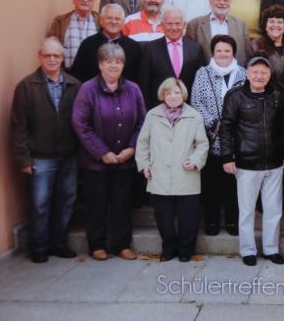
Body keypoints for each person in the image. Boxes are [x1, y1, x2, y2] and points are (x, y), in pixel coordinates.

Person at [71, 43, 146, 261]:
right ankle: (97, 244)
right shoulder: (87, 89)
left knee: (123, 203)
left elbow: (142, 121)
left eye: (118, 62)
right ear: (100, 64)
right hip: (96, 161)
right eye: (108, 61)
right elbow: (80, 124)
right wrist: (102, 152)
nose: (114, 65)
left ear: (123, 65)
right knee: (97, 203)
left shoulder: (133, 89)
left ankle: (121, 245)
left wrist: (132, 148)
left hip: (125, 160)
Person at [11, 37, 82, 263]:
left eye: (57, 56)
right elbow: (18, 126)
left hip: (69, 156)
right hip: (40, 158)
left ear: (63, 58)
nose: (52, 59)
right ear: (40, 57)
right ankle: (39, 248)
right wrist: (24, 159)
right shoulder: (26, 86)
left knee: (66, 201)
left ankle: (58, 243)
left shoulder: (74, 84)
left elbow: (81, 121)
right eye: (47, 55)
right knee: (40, 203)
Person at [220, 57, 284, 266]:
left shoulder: (277, 97)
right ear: (247, 74)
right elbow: (226, 127)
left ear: (269, 75)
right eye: (255, 72)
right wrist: (228, 156)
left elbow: (283, 129)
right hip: (246, 162)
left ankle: (271, 249)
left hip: (274, 163)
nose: (259, 76)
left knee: (273, 210)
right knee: (247, 210)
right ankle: (248, 250)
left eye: (263, 72)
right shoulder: (235, 96)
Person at [135, 77, 209, 262]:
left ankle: (186, 250)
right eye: (169, 93)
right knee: (164, 218)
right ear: (163, 95)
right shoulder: (153, 115)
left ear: (183, 94)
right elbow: (142, 143)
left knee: (188, 218)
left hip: (186, 174)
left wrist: (195, 161)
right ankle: (168, 248)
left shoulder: (194, 116)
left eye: (177, 92)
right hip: (159, 173)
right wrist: (144, 165)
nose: (173, 96)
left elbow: (202, 144)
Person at [190, 35, 247, 236]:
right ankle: (212, 222)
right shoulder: (202, 73)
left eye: (227, 50)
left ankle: (233, 222)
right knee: (211, 183)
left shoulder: (243, 74)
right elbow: (196, 102)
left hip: (237, 139)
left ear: (234, 52)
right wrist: (214, 125)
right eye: (219, 50)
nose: (223, 54)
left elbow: (249, 103)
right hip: (211, 137)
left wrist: (234, 126)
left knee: (234, 183)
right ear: (213, 53)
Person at [138, 7, 206, 110]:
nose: (174, 28)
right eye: (169, 24)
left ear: (184, 25)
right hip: (159, 110)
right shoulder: (150, 49)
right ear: (162, 25)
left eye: (177, 23)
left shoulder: (195, 49)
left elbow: (201, 83)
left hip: (188, 110)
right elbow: (144, 84)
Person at [71, 3, 142, 83]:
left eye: (117, 19)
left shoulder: (134, 47)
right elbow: (77, 75)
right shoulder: (87, 44)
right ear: (101, 21)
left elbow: (138, 78)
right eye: (109, 18)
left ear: (123, 23)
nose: (113, 22)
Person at [185, 0, 251, 66]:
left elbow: (248, 54)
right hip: (205, 75)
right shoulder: (194, 25)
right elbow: (189, 56)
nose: (222, 3)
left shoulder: (241, 25)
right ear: (210, 0)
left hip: (235, 76)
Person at [48, 0, 100, 69]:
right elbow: (52, 48)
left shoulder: (101, 21)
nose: (85, 0)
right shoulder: (60, 22)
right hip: (68, 74)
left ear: (94, 1)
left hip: (94, 75)